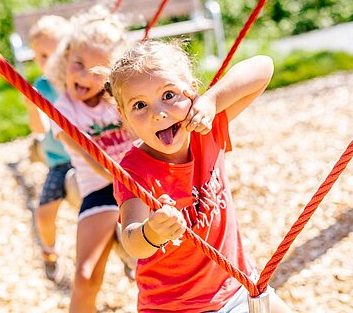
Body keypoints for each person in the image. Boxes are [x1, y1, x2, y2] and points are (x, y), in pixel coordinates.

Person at [108, 40, 292, 312]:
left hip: (238, 283)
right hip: (176, 306)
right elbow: (132, 241)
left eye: (169, 95)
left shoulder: (207, 130)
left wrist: (212, 100)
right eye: (139, 105)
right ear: (124, 116)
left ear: (192, 92)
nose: (159, 113)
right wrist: (152, 232)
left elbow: (263, 68)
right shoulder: (135, 169)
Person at [48, 6, 135, 313]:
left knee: (152, 260)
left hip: (141, 185)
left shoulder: (122, 99)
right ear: (66, 57)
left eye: (97, 71)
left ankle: (133, 258)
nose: (84, 76)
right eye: (78, 64)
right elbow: (95, 161)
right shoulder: (63, 110)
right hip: (102, 188)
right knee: (86, 276)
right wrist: (130, 179)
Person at [23, 15, 79, 283]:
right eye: (38, 55)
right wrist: (31, 104)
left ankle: (129, 257)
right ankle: (50, 253)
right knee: (43, 214)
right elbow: (39, 129)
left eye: (50, 54)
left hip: (90, 158)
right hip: (59, 162)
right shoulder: (42, 88)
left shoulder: (80, 82)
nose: (43, 61)